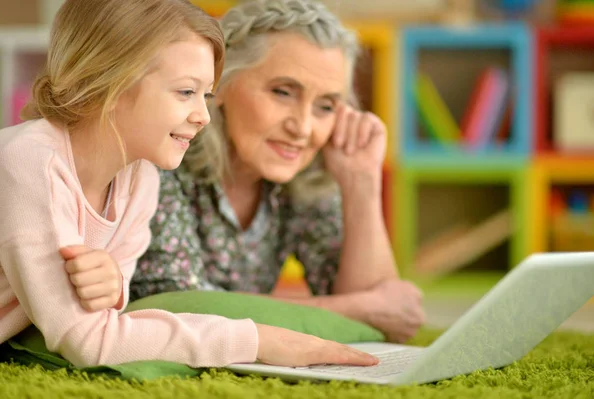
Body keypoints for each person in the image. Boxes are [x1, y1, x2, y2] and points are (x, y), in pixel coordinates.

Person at [0, 0, 379, 369]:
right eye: (186, 92)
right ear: (109, 83)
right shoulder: (29, 163)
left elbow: (110, 311)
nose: (203, 117)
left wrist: (112, 286)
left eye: (206, 95)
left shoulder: (140, 177)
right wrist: (259, 340)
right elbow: (88, 340)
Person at [101, 0, 424, 344]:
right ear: (219, 83)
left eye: (325, 106)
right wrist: (359, 309)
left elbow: (385, 322)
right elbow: (176, 308)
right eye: (283, 92)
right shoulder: (161, 159)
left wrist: (362, 182)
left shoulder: (301, 176)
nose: (303, 128)